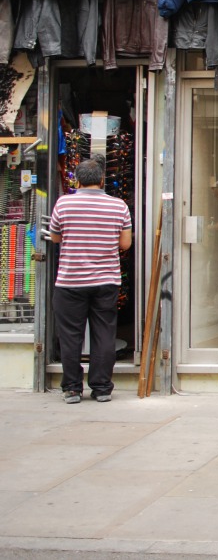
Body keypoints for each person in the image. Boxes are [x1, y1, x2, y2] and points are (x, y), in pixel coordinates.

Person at [48, 157, 133, 404]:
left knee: (70, 336)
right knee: (104, 334)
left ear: (76, 180)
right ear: (102, 179)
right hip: (106, 280)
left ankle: (72, 389)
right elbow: (125, 244)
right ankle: (102, 388)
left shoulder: (63, 204)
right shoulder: (119, 206)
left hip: (70, 281)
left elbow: (55, 238)